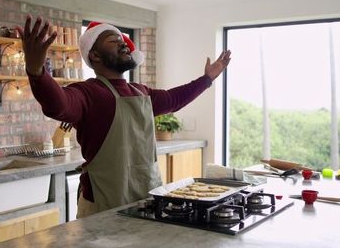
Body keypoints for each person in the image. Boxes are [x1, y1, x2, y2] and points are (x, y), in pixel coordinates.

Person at [16, 16, 231, 218]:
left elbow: (174, 99)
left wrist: (207, 79)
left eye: (123, 40)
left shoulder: (141, 92)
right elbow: (59, 105)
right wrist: (36, 71)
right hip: (103, 207)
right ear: (95, 55)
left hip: (147, 201)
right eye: (113, 41)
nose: (124, 44)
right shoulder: (88, 93)